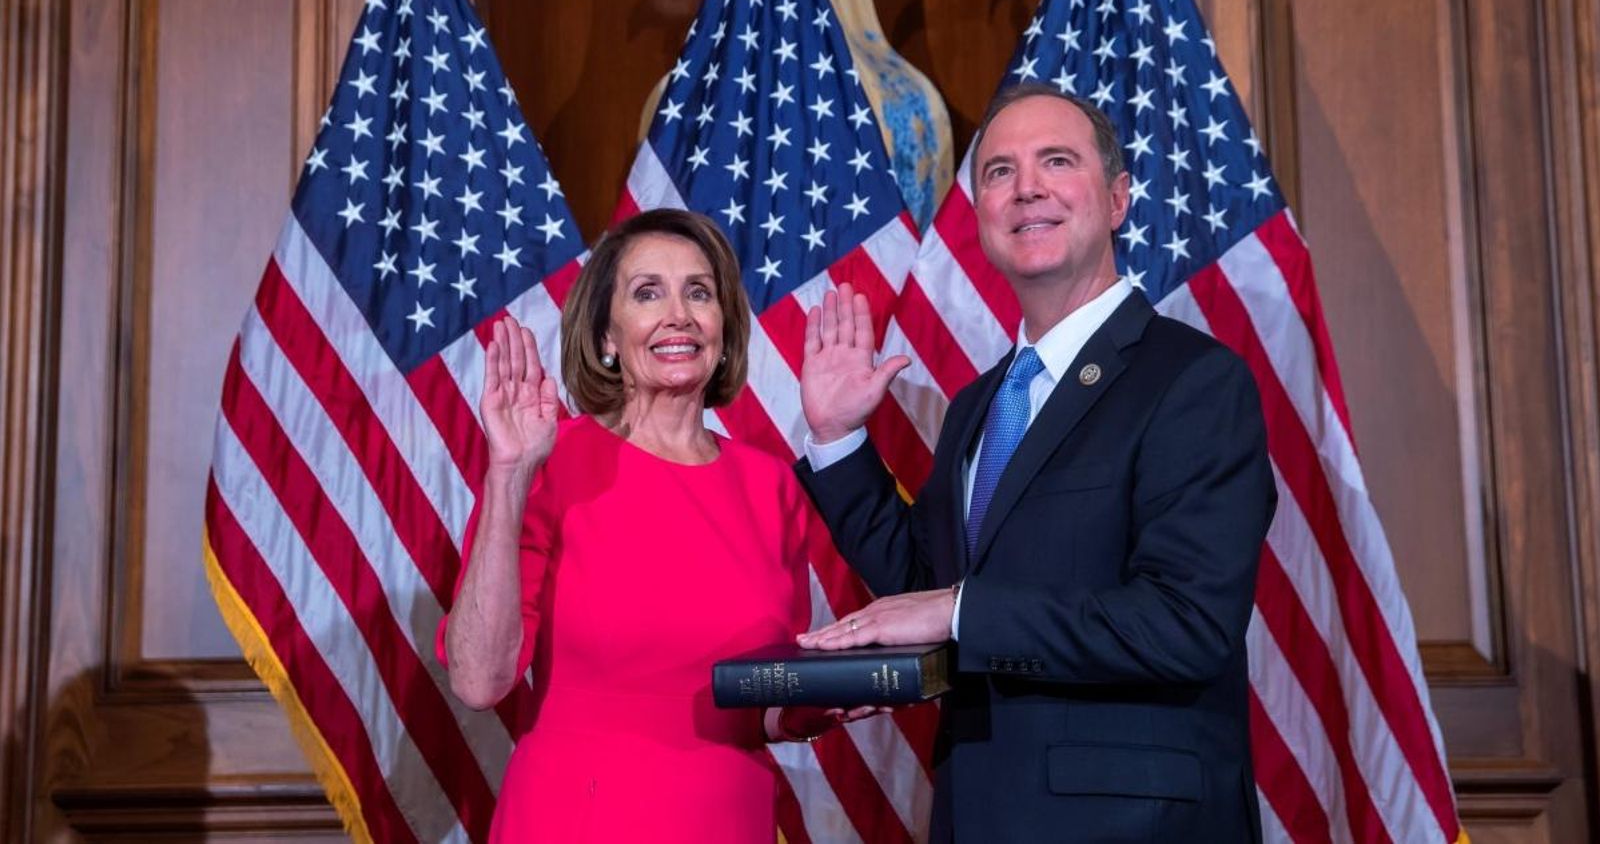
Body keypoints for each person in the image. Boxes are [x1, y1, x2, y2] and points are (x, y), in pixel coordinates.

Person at [794, 83, 1278, 842]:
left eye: (1057, 161)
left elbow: (1187, 623)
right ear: (981, 217)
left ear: (1117, 199)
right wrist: (836, 439)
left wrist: (959, 611)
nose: (1027, 189)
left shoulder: (1194, 382)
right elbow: (928, 588)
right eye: (999, 172)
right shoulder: (979, 406)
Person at [440, 208, 870, 843]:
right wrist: (508, 472)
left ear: (723, 327)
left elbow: (762, 705)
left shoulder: (771, 484)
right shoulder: (545, 464)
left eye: (699, 292)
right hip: (578, 821)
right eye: (648, 293)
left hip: (730, 821)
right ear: (608, 336)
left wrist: (823, 701)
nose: (679, 314)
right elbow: (479, 681)